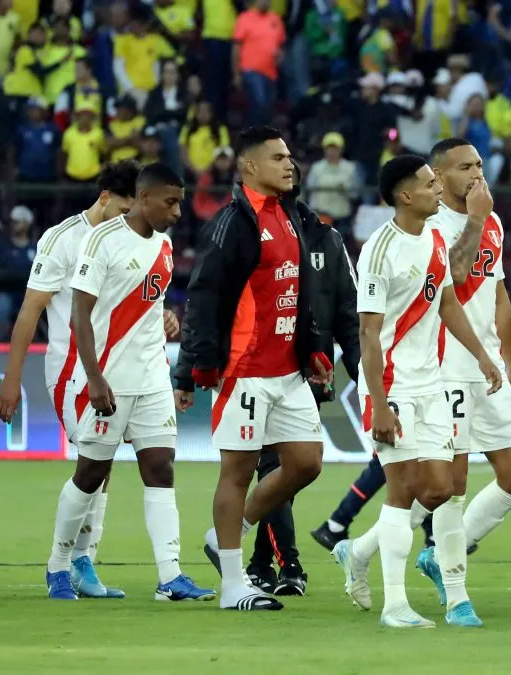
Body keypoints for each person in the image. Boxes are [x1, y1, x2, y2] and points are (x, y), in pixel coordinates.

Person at [0, 160, 178, 600]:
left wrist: (164, 316)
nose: (130, 220)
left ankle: (83, 561)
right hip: (71, 371)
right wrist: (11, 379)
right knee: (95, 463)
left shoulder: (143, 239)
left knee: (103, 465)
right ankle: (70, 561)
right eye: (125, 211)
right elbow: (30, 310)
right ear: (105, 198)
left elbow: (137, 297)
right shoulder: (63, 239)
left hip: (126, 369)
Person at [331, 155, 502, 628]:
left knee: (441, 488)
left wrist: (482, 355)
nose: (438, 190)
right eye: (429, 184)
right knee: (403, 489)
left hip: (432, 382)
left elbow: (446, 303)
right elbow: (368, 334)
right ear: (405, 196)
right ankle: (395, 606)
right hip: (392, 384)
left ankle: (357, 552)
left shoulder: (435, 240)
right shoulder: (379, 249)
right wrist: (379, 404)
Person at [174, 126, 333, 611]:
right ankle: (233, 585)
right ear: (249, 167)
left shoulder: (289, 215)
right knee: (238, 471)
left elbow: (297, 292)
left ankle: (230, 530)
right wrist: (192, 368)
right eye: (278, 157)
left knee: (306, 463)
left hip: (288, 371)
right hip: (245, 370)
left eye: (289, 156)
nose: (289, 164)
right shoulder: (232, 224)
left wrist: (312, 348)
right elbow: (203, 299)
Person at [58, 163, 213, 602]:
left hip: (152, 377)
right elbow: (80, 314)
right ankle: (57, 565)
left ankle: (170, 576)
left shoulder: (164, 245)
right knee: (91, 474)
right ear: (144, 198)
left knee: (161, 468)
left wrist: (165, 317)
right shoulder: (102, 240)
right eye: (171, 202)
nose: (178, 212)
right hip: (108, 379)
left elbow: (148, 302)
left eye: (180, 202)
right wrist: (94, 378)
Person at [415, 139, 511, 611]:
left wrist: (510, 361)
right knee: (451, 485)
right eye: (465, 167)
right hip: (445, 368)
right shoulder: (431, 225)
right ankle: (454, 588)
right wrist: (477, 220)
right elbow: (457, 277)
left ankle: (427, 553)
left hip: (488, 369)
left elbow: (498, 295)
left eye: (479, 165)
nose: (477, 174)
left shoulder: (493, 221)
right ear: (439, 177)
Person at [245, 167, 362, 597]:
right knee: (275, 467)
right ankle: (288, 564)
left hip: (310, 372)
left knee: (289, 472)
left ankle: (259, 562)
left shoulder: (327, 240)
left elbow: (349, 313)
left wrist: (364, 376)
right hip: (259, 368)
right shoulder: (248, 233)